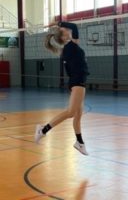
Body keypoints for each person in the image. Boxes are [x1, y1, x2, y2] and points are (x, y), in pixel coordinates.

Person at [34, 21, 89, 156]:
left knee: (77, 116)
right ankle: (43, 130)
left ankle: (79, 143)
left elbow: (70, 29)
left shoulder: (70, 47)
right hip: (77, 82)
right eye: (65, 30)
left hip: (78, 82)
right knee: (71, 113)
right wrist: (59, 23)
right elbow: (74, 26)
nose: (68, 29)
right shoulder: (70, 46)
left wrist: (58, 27)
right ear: (64, 37)